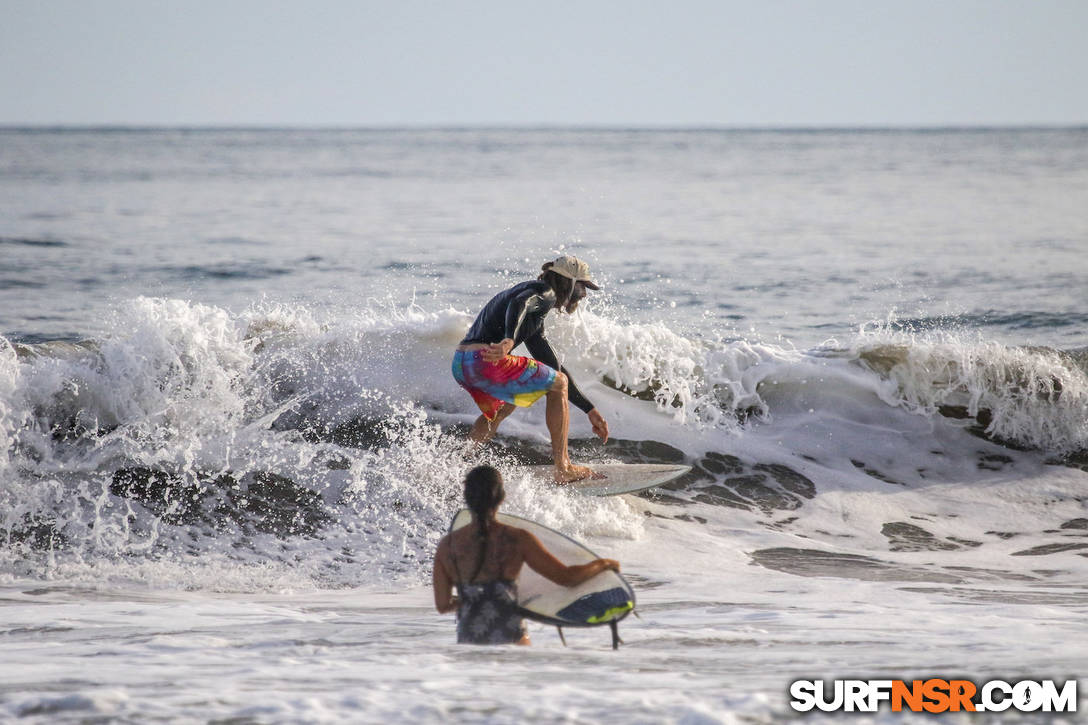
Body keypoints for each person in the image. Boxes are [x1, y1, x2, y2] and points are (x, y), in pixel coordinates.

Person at [452, 255, 610, 483]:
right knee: (559, 384)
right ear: (570, 282)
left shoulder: (534, 316)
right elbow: (520, 303)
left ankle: (459, 462)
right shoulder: (544, 292)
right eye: (583, 286)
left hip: (462, 363)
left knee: (507, 405)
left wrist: (589, 409)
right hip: (484, 359)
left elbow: (554, 368)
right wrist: (508, 340)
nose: (584, 294)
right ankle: (563, 467)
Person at [432, 465, 620, 645]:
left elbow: (443, 605)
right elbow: (567, 578)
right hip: (510, 638)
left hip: (468, 642)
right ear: (501, 497)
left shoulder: (447, 546)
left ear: (466, 497)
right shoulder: (517, 539)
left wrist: (477, 600)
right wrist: (602, 564)